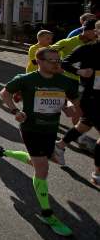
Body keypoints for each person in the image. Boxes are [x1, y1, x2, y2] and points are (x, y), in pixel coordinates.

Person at [0, 47, 80, 237]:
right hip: (31, 129)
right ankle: (47, 214)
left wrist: (69, 108)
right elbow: (4, 92)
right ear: (39, 62)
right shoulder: (27, 79)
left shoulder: (65, 81)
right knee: (42, 169)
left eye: (58, 60)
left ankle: (1, 152)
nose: (57, 64)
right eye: (52, 61)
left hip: (50, 129)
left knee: (36, 161)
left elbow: (70, 99)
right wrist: (15, 111)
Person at [53, 19, 99, 186]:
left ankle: (59, 145)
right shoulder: (87, 49)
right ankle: (97, 174)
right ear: (97, 32)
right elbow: (65, 62)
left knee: (84, 125)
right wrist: (80, 71)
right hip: (90, 96)